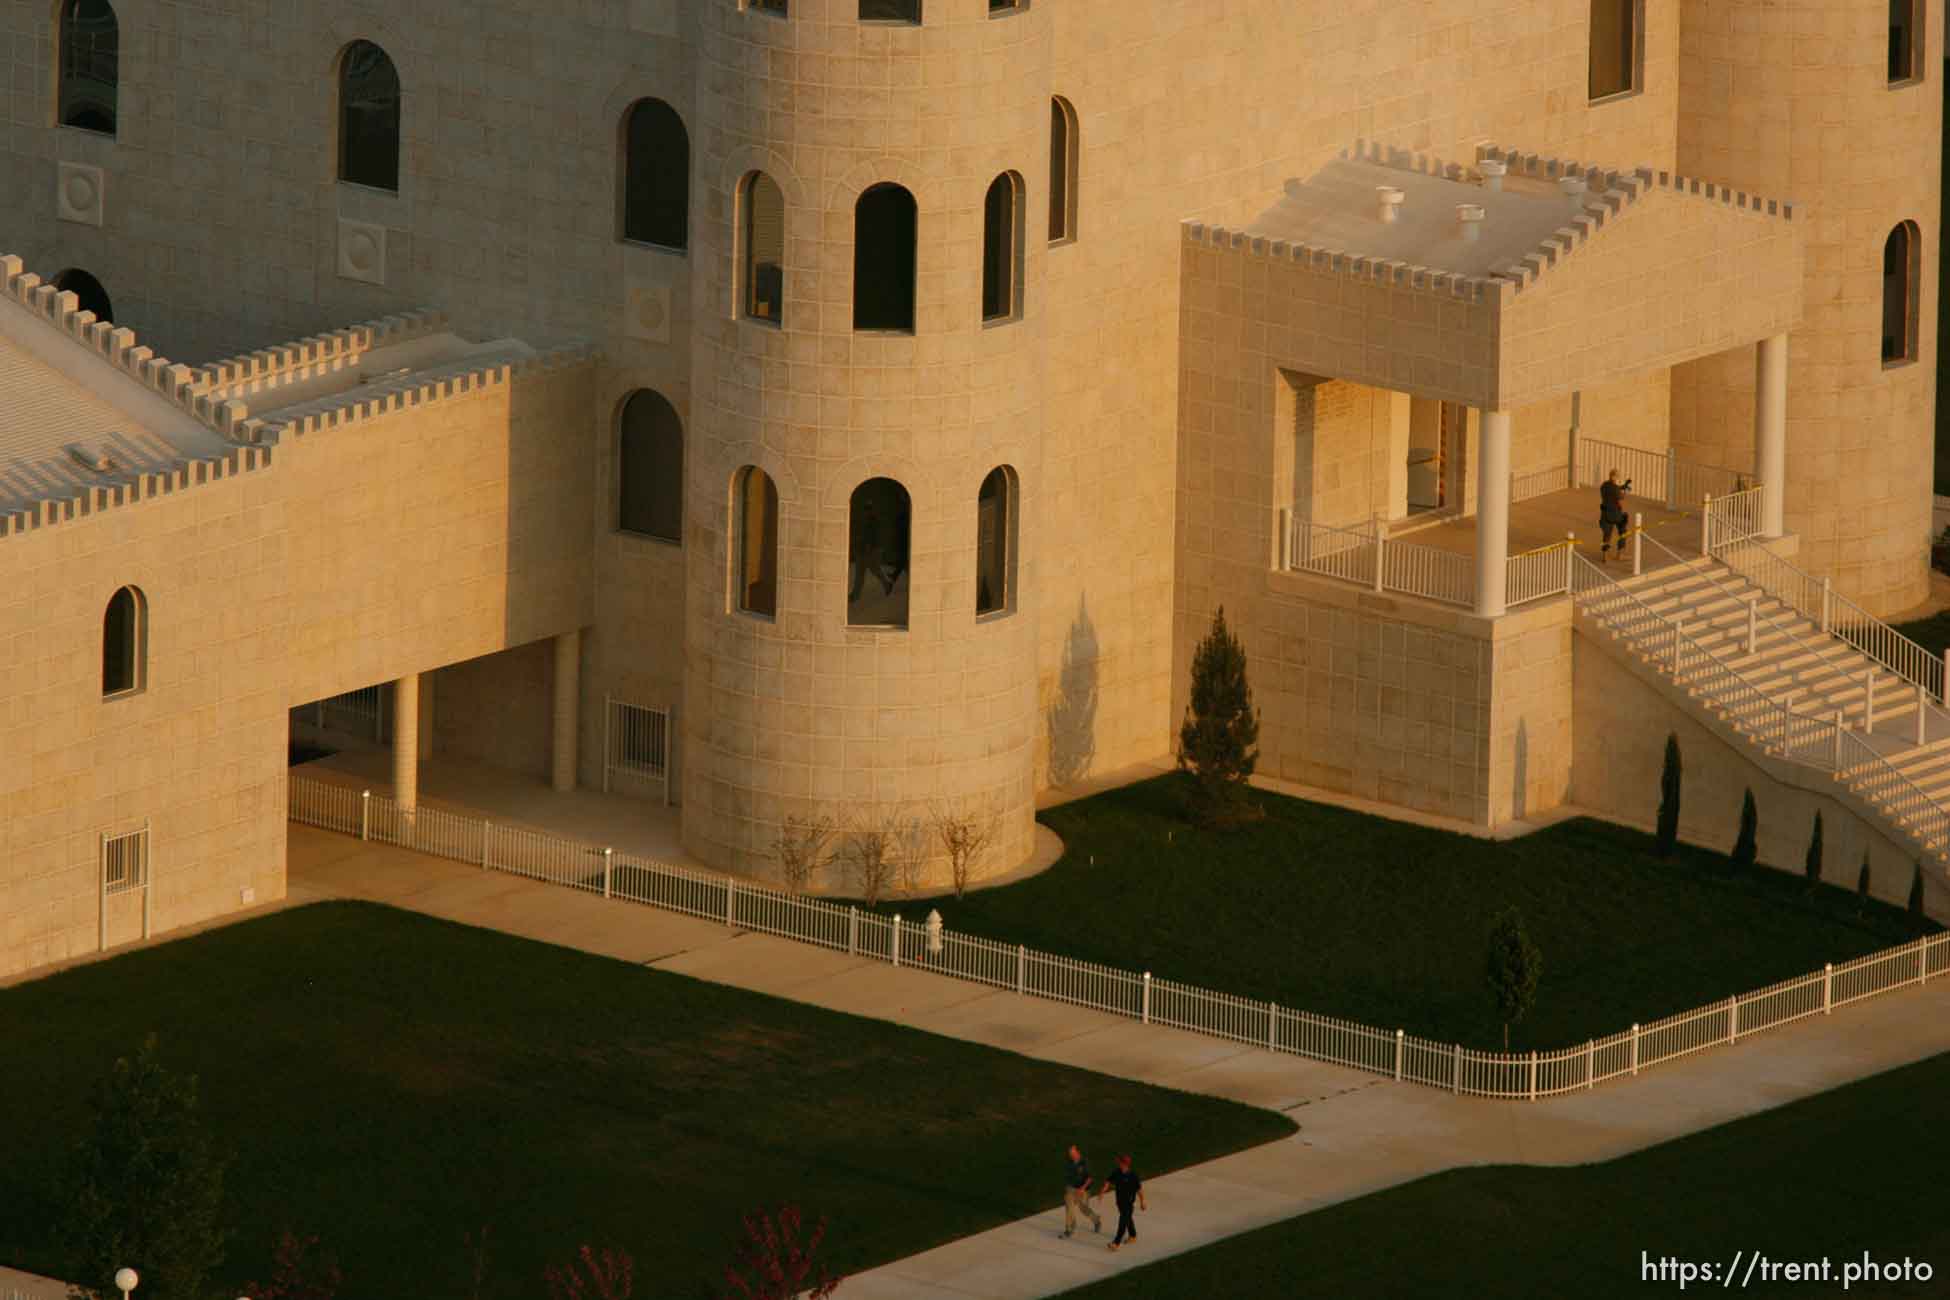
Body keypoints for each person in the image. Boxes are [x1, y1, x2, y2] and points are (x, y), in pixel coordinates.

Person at [1098, 1153, 1146, 1251]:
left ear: (1124, 1164)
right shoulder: (1117, 1172)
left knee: (1122, 1221)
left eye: (1119, 1162)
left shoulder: (1133, 1175)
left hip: (1129, 1203)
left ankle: (1116, 1243)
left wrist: (1142, 1202)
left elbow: (1139, 1189)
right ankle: (1133, 1235)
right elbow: (1108, 1181)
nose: (1118, 1163)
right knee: (1127, 1219)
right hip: (1119, 1202)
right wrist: (1102, 1192)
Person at [1060, 1144, 1101, 1239]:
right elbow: (1069, 1177)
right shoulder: (1069, 1163)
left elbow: (1090, 1178)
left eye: (1073, 1153)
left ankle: (1096, 1221)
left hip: (1083, 1190)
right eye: (1070, 1154)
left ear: (1078, 1152)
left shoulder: (1084, 1162)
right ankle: (1069, 1228)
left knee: (1084, 1209)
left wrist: (1082, 1189)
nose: (1071, 1155)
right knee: (1069, 1207)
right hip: (1071, 1189)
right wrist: (1068, 1187)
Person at [1599, 468, 1631, 563]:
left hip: (1605, 514)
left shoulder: (1604, 485)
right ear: (1614, 477)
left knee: (1606, 534)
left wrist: (1622, 487)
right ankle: (1620, 554)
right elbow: (1621, 497)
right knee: (1623, 531)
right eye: (1617, 476)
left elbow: (1613, 490)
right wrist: (1626, 490)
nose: (1618, 477)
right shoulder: (1615, 488)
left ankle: (1605, 556)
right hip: (1615, 514)